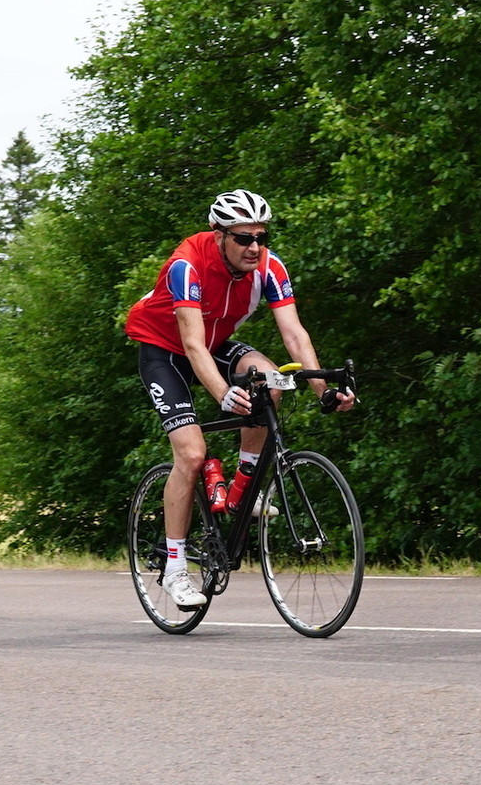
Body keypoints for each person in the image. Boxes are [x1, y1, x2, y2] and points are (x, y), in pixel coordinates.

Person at [126, 190, 355, 608]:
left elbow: (294, 334)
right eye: (244, 238)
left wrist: (323, 389)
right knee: (192, 454)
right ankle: (175, 568)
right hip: (165, 349)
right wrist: (223, 393)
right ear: (219, 235)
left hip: (214, 342)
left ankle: (242, 490)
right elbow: (192, 345)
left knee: (270, 381)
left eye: (261, 237)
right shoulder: (186, 265)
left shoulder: (269, 267)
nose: (254, 247)